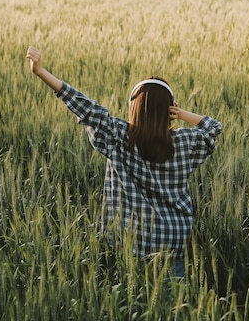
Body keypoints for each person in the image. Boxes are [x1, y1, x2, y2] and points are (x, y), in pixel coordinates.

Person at [26, 46, 222, 278]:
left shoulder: (118, 136)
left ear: (134, 108)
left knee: (131, 299)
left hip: (130, 241)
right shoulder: (185, 143)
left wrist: (40, 72)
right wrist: (181, 114)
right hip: (173, 238)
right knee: (173, 303)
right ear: (169, 110)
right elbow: (213, 127)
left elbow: (86, 107)